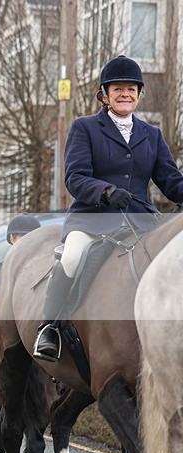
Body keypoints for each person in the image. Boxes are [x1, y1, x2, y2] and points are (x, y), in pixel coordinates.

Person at [34, 55, 183, 361]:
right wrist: (104, 191)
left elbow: (170, 180)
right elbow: (74, 177)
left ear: (139, 94)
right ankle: (49, 326)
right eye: (117, 88)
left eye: (131, 88)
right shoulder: (85, 128)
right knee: (73, 257)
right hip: (92, 220)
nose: (125, 93)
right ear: (105, 94)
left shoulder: (151, 135)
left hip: (140, 225)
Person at [0, 212, 41, 389]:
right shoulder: (8, 263)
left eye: (32, 238)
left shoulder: (42, 262)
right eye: (24, 238)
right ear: (12, 239)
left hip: (33, 311)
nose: (28, 242)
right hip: (11, 311)